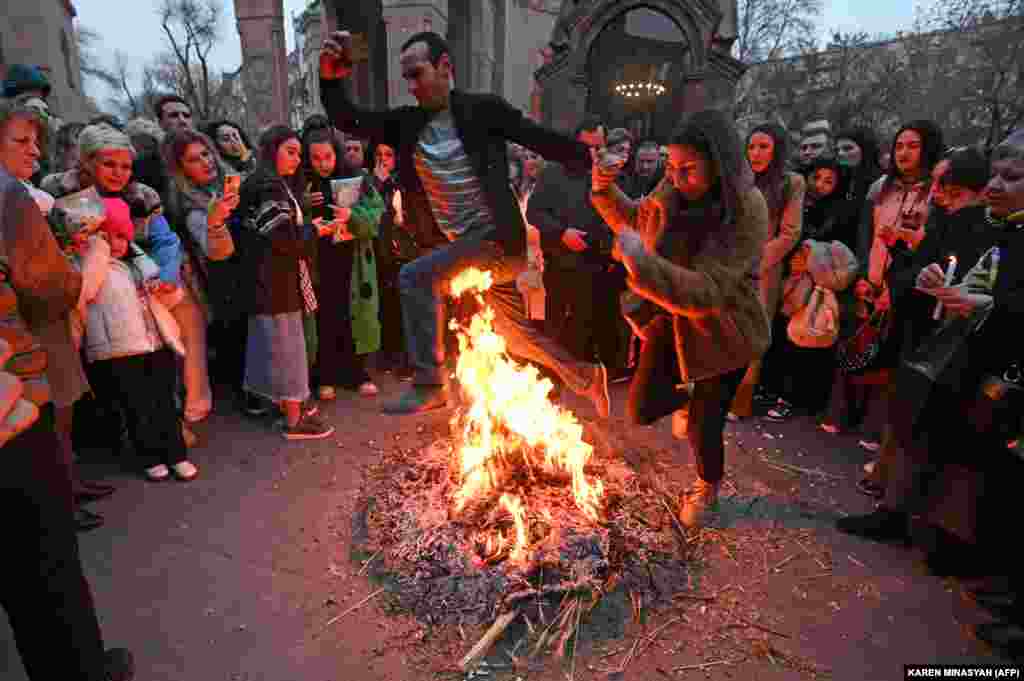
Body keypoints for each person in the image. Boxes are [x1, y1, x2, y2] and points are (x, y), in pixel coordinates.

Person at [318, 30, 610, 416]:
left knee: (415, 277)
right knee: (514, 335)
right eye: (406, 77)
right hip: (466, 248)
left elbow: (537, 137)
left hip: (498, 242)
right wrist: (330, 78)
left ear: (444, 68)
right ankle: (586, 377)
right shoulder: (406, 124)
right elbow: (348, 118)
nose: (412, 86)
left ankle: (428, 383)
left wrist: (592, 163)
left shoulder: (481, 110)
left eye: (417, 74)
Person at [591, 109, 770, 527]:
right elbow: (638, 218)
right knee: (641, 408)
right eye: (671, 167)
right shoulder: (673, 186)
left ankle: (707, 487)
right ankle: (689, 399)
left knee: (704, 428)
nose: (676, 176)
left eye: (688, 169)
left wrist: (641, 264)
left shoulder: (747, 206)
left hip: (724, 332)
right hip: (672, 318)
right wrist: (604, 187)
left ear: (719, 164)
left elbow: (708, 291)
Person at [1, 165, 135, 681]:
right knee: (42, 572)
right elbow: (51, 289)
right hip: (11, 414)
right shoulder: (8, 198)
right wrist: (87, 255)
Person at [0, 99, 114, 531]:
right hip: (35, 324)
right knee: (47, 414)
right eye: (21, 141)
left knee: (63, 409)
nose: (33, 151)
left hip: (44, 320)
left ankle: (70, 484)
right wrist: (69, 273)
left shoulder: (28, 194)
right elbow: (42, 278)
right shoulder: (11, 197)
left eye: (36, 142)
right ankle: (60, 500)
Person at [72, 195, 198, 482]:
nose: (116, 242)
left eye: (120, 235)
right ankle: (150, 456)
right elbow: (85, 291)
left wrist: (163, 288)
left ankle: (176, 454)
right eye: (107, 236)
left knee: (164, 403)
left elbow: (168, 295)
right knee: (138, 407)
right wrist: (98, 250)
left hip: (154, 341)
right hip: (122, 350)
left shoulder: (137, 258)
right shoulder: (91, 263)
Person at [238, 126, 335, 439]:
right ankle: (294, 422)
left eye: (298, 153)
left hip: (269, 278)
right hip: (275, 280)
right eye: (290, 151)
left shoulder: (268, 181)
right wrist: (314, 231)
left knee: (277, 346)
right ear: (272, 150)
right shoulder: (268, 185)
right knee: (287, 347)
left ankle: (286, 410)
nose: (297, 159)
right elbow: (281, 238)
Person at [528, 117, 623, 382]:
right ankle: (551, 377)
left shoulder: (609, 175)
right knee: (555, 323)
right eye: (587, 146)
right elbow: (534, 211)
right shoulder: (553, 173)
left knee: (590, 323)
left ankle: (585, 376)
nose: (593, 153)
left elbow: (619, 216)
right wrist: (561, 233)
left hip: (597, 264)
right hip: (561, 262)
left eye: (599, 147)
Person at [162, 129, 243, 412]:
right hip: (224, 285)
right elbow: (216, 252)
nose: (206, 162)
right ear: (181, 169)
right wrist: (217, 220)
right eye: (194, 159)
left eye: (207, 153)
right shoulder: (191, 209)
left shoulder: (230, 184)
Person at [304, 127, 384, 400]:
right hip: (318, 260)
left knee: (356, 314)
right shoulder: (299, 182)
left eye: (328, 156)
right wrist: (304, 205)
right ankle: (325, 376)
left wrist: (352, 214)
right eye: (315, 158)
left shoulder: (358, 178)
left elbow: (376, 215)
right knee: (324, 317)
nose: (323, 164)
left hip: (352, 258)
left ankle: (357, 373)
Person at [740, 123, 804, 418]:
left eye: (763, 146)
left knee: (753, 335)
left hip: (763, 270)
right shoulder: (739, 178)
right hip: (729, 264)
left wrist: (757, 262)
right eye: (751, 146)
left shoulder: (791, 183)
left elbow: (790, 233)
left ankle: (740, 400)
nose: (756, 152)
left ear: (777, 148)